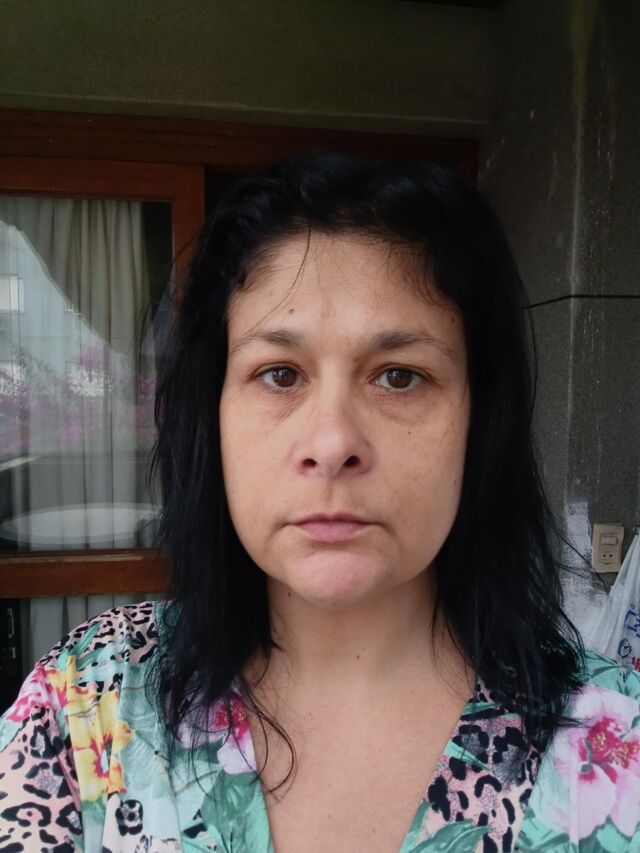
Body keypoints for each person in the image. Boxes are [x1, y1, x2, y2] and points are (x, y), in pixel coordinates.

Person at [1, 151, 639, 853]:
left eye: (400, 376)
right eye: (280, 374)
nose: (332, 443)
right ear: (213, 415)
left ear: (479, 420)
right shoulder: (85, 708)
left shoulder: (618, 743)